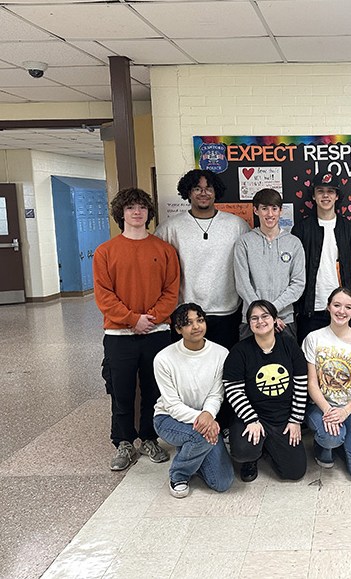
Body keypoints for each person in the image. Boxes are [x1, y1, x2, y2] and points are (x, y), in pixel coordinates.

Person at [93, 188, 179, 471]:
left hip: (157, 333)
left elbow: (171, 291)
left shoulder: (164, 250)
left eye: (142, 207)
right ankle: (123, 442)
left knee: (154, 390)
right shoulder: (105, 252)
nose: (137, 212)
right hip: (119, 336)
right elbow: (104, 297)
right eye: (130, 208)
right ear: (121, 213)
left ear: (149, 213)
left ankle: (149, 438)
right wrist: (133, 319)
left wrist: (151, 318)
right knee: (121, 390)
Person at [155, 168, 251, 350]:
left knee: (224, 366)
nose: (203, 193)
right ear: (188, 192)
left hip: (227, 312)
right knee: (188, 367)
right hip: (185, 312)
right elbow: (155, 269)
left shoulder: (237, 225)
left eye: (209, 188)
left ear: (216, 193)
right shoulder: (170, 228)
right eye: (197, 189)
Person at [153, 303, 234, 498]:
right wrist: (205, 420)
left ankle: (191, 451)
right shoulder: (164, 358)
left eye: (200, 320)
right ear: (178, 329)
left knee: (223, 482)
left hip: (206, 418)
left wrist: (207, 415)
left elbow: (216, 394)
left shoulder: (221, 354)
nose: (196, 327)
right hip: (169, 419)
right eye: (188, 323)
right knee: (198, 436)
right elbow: (172, 405)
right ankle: (178, 474)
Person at [223, 300, 308, 483]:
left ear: (275, 320)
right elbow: (233, 390)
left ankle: (268, 446)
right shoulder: (239, 351)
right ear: (249, 323)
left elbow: (302, 384)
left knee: (294, 472)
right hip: (251, 416)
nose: (260, 321)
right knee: (243, 451)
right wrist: (251, 419)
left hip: (282, 417)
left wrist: (295, 420)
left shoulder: (290, 346)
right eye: (254, 318)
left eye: (265, 316)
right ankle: (252, 458)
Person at [303, 287, 351, 483]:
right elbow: (312, 383)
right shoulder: (314, 338)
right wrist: (328, 411)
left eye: (348, 307)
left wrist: (343, 412)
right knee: (330, 437)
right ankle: (324, 447)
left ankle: (343, 441)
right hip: (320, 406)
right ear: (328, 307)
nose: (341, 311)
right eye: (336, 305)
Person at [292, 173, 351, 344]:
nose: (325, 195)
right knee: (310, 361)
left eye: (330, 191)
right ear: (313, 195)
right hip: (310, 310)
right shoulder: (301, 230)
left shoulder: (350, 230)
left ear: (337, 196)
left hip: (342, 310)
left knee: (343, 360)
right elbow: (293, 272)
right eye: (320, 191)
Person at [234, 189, 305, 342]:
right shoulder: (244, 242)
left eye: (274, 208)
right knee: (252, 365)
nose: (270, 214)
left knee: (286, 365)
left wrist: (272, 312)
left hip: (284, 320)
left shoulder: (294, 243)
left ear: (281, 211)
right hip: (252, 321)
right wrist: (264, 316)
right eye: (264, 208)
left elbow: (298, 284)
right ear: (256, 210)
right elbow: (242, 284)